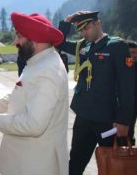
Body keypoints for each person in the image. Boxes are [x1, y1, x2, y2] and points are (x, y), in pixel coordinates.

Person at [0, 12, 69, 175]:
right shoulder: (38, 62)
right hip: (24, 159)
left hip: (36, 165)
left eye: (19, 36)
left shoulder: (48, 71)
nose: (15, 41)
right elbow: (15, 96)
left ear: (35, 39)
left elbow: (34, 125)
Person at [58, 11, 135, 175]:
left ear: (98, 23)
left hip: (108, 120)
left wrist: (124, 121)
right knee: (75, 163)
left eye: (87, 28)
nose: (84, 33)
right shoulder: (83, 46)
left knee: (113, 164)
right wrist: (66, 22)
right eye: (81, 30)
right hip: (84, 117)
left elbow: (127, 87)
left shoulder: (116, 46)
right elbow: (59, 42)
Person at [127, 40, 137, 145]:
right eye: (131, 52)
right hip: (124, 103)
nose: (134, 55)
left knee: (130, 127)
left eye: (135, 52)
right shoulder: (122, 65)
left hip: (134, 103)